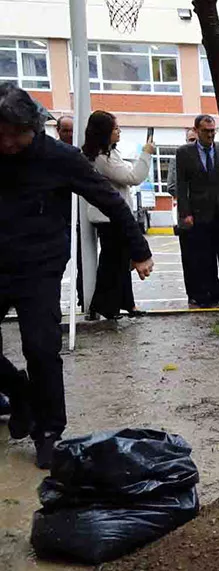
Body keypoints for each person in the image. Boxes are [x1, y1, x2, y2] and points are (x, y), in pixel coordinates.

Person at [0, 84, 154, 468]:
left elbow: (110, 199)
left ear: (32, 128)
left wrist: (139, 250)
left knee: (41, 347)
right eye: (0, 134)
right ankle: (18, 391)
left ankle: (49, 430)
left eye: (16, 135)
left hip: (40, 265)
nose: (8, 143)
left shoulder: (59, 158)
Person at [81, 110, 153, 321]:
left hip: (113, 216)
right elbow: (133, 176)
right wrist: (146, 153)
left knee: (121, 261)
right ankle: (104, 305)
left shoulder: (110, 153)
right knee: (113, 262)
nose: (119, 131)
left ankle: (124, 303)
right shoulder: (102, 158)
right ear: (104, 132)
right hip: (108, 218)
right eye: (115, 128)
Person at [174, 114, 219, 308]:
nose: (210, 135)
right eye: (206, 131)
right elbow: (182, 185)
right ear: (196, 131)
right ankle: (208, 294)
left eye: (212, 131)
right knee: (204, 257)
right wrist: (185, 213)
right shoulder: (184, 153)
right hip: (199, 213)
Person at [166, 127, 198, 198]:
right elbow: (171, 187)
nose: (195, 143)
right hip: (188, 206)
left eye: (198, 140)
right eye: (191, 140)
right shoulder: (176, 160)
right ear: (186, 141)